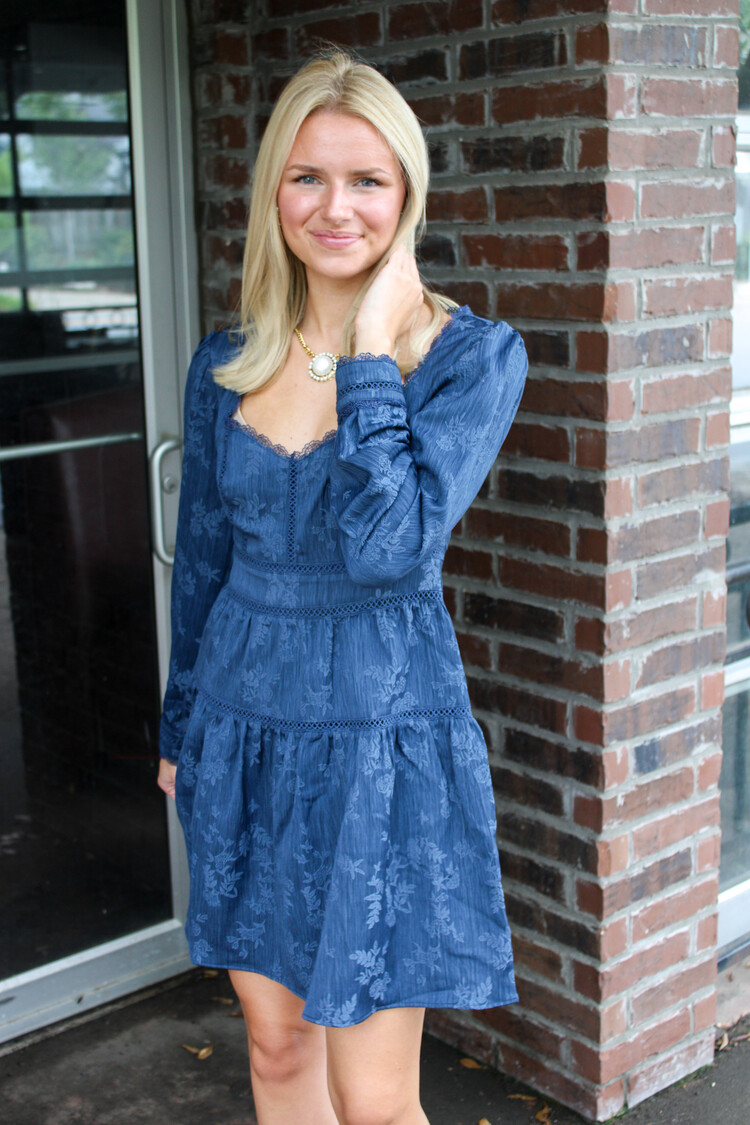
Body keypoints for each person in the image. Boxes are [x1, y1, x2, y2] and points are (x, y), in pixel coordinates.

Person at [157, 48, 528, 1125]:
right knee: (278, 1053)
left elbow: (388, 549)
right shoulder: (226, 361)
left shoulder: (469, 359)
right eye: (308, 177)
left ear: (407, 192)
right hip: (242, 730)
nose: (335, 207)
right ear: (274, 192)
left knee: (373, 1099)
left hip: (380, 739)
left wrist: (369, 351)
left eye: (367, 179)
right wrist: (181, 729)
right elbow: (204, 564)